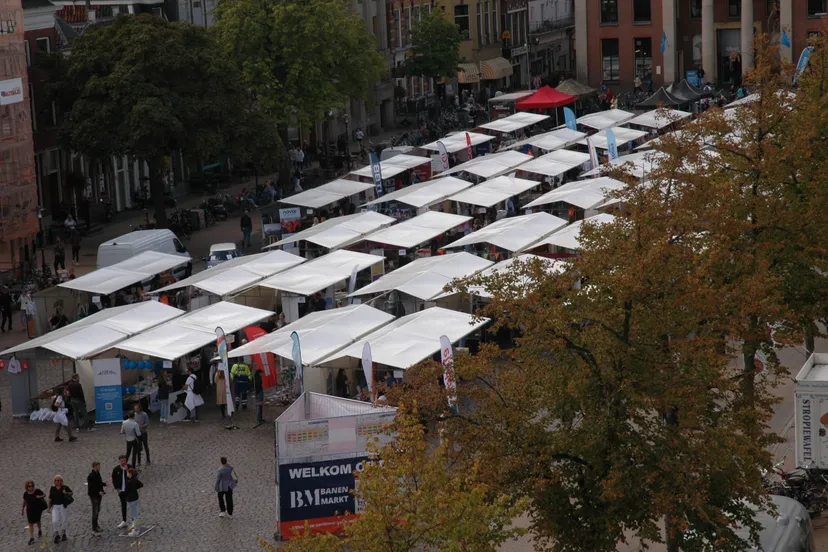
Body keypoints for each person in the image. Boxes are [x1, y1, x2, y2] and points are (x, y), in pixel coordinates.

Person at [47, 475, 72, 544]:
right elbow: (50, 498)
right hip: (55, 506)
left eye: (58, 480)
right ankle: (56, 533)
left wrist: (66, 492)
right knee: (54, 520)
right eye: (55, 480)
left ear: (61, 481)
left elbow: (71, 493)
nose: (57, 482)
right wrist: (48, 508)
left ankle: (63, 532)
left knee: (64, 519)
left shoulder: (65, 487)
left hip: (63, 506)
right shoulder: (52, 488)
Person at [22, 480, 46, 545]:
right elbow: (24, 501)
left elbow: (44, 495)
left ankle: (39, 530)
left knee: (38, 521)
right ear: (27, 487)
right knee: (30, 523)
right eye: (29, 486)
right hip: (29, 511)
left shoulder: (37, 491)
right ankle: (32, 537)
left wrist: (39, 496)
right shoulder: (25, 494)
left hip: (37, 509)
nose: (31, 487)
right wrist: (22, 509)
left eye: (32, 485)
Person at [112, 455, 133, 530]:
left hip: (129, 490)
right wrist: (117, 489)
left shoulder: (130, 467)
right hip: (121, 491)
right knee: (123, 505)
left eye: (124, 460)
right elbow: (114, 479)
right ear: (119, 461)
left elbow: (133, 476)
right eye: (122, 461)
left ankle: (134, 521)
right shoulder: (116, 469)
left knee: (132, 505)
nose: (123, 462)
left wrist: (128, 470)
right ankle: (124, 520)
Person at [87, 461, 106, 536]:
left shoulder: (97, 474)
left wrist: (105, 484)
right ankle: (94, 529)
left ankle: (96, 526)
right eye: (98, 466)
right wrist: (98, 492)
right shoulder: (91, 476)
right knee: (95, 511)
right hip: (94, 496)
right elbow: (91, 488)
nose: (100, 467)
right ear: (95, 467)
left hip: (98, 495)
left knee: (97, 510)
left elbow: (99, 483)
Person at [124, 469, 143, 536]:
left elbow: (126, 491)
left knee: (134, 516)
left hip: (131, 499)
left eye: (128, 473)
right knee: (135, 514)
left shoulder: (130, 482)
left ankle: (136, 530)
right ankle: (136, 527)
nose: (127, 474)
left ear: (130, 474)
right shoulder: (135, 480)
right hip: (135, 498)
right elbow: (141, 485)